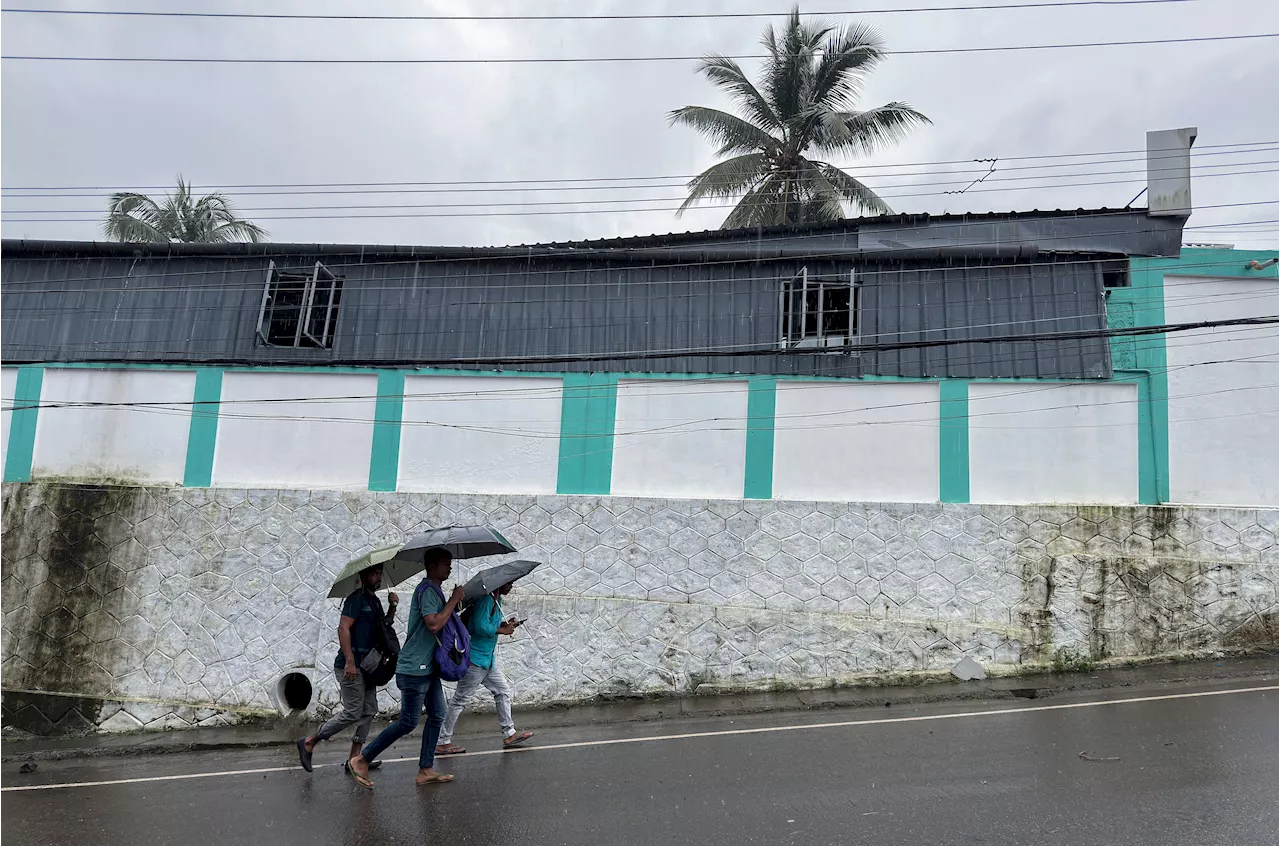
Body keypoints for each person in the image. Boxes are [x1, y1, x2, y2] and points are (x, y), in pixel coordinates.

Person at [347, 547, 464, 789]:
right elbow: (433, 624)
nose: (449, 567)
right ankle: (362, 759)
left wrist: (455, 602)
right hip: (414, 668)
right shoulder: (427, 591)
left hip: (427, 667)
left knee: (437, 715)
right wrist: (453, 600)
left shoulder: (435, 592)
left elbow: (442, 623)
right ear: (431, 566)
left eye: (450, 563)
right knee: (408, 722)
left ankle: (425, 769)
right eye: (445, 563)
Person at [296, 563, 397, 773]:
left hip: (368, 666)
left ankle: (355, 759)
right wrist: (350, 661)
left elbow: (383, 628)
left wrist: (392, 607)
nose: (378, 576)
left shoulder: (375, 601)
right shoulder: (356, 599)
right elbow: (343, 627)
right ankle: (309, 742)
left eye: (379, 573)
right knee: (353, 712)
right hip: (351, 666)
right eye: (373, 573)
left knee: (369, 710)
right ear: (363, 575)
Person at [436, 581, 533, 754]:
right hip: (475, 659)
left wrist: (503, 624)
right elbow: (479, 626)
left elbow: (487, 623)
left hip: (487, 660)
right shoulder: (486, 600)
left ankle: (509, 733)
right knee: (460, 700)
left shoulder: (497, 601)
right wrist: (501, 631)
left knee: (502, 691)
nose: (511, 585)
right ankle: (443, 740)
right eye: (509, 583)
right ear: (499, 583)